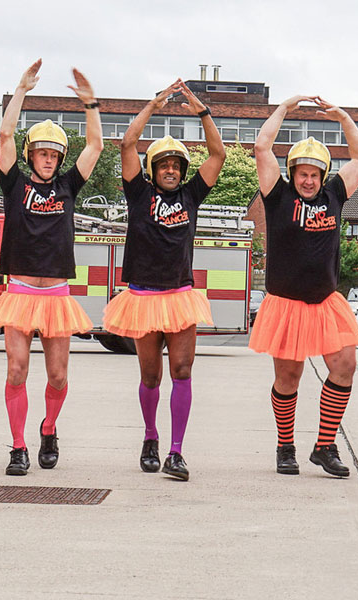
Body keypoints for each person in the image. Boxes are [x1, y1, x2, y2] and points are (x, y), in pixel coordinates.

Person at [103, 79, 225, 481]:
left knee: (183, 371)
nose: (170, 169)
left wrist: (202, 111)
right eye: (164, 164)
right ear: (153, 170)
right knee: (151, 376)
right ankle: (150, 437)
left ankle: (176, 452)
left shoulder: (191, 195)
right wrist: (153, 106)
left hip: (180, 296)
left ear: (182, 171)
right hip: (142, 296)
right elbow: (127, 144)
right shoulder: (138, 194)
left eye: (176, 165)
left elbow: (218, 154)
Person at [0, 60, 102, 475]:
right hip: (19, 293)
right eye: (43, 153)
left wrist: (90, 104)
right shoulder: (14, 183)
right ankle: (18, 447)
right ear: (31, 154)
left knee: (57, 376)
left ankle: (49, 429)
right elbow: (4, 135)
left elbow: (95, 147)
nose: (49, 160)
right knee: (17, 369)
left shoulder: (68, 186)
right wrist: (21, 90)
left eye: (55, 154)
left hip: (55, 296)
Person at [250, 96, 358, 478]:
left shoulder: (334, 193)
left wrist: (343, 118)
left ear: (323, 175)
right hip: (286, 304)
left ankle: (324, 446)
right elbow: (261, 147)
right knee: (288, 379)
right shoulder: (277, 195)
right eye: (302, 173)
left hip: (326, 302)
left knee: (345, 366)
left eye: (314, 174)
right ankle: (285, 447)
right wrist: (284, 108)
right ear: (292, 173)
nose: (308, 180)